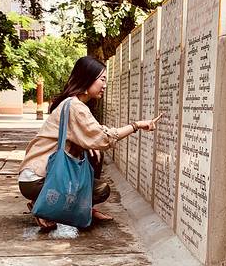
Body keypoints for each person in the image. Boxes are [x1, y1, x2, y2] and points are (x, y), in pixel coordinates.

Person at [18, 55, 160, 230]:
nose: (105, 85)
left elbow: (91, 137)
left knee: (95, 157)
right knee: (101, 190)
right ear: (87, 79)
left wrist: (86, 147)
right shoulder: (75, 107)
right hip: (37, 180)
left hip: (33, 178)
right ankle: (44, 208)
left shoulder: (71, 104)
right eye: (102, 79)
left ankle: (74, 207)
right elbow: (104, 138)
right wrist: (136, 125)